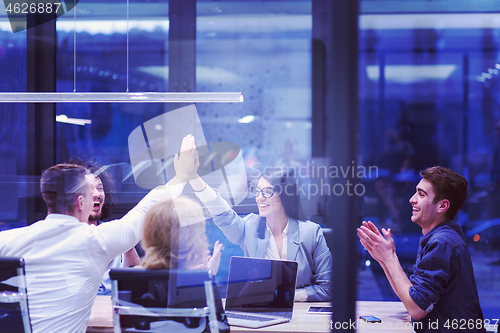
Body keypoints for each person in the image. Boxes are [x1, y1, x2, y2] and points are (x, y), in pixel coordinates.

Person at [0, 135, 199, 333]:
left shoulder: (10, 240)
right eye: (91, 193)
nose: (97, 196)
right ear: (80, 202)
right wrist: (181, 176)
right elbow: (145, 211)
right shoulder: (96, 241)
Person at [183, 136, 332, 302]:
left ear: (285, 196)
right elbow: (223, 213)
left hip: (300, 314)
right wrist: (194, 179)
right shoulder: (250, 227)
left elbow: (328, 287)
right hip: (261, 311)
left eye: (267, 192)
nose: (259, 198)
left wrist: (290, 296)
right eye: (257, 191)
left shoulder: (311, 232)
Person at [357, 166, 485, 332]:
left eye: (421, 194)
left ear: (442, 206)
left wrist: (390, 258)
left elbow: (417, 309)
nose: (412, 199)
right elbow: (412, 298)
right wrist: (383, 258)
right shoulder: (443, 237)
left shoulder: (442, 242)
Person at [69, 157, 141, 295]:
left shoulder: (117, 232)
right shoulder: (65, 239)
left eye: (100, 188)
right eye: (88, 189)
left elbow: (137, 285)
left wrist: (126, 240)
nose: (97, 194)